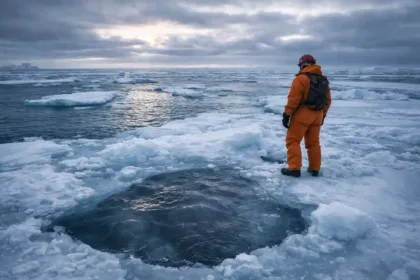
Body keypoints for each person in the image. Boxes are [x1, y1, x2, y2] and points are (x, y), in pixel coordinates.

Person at [281, 54, 332, 177]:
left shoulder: (301, 79)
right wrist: (323, 115)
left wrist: (287, 114)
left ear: (302, 65)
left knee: (293, 140)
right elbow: (328, 100)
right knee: (313, 143)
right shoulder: (323, 80)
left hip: (303, 114)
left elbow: (294, 98)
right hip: (318, 115)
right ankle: (315, 168)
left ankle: (294, 168)